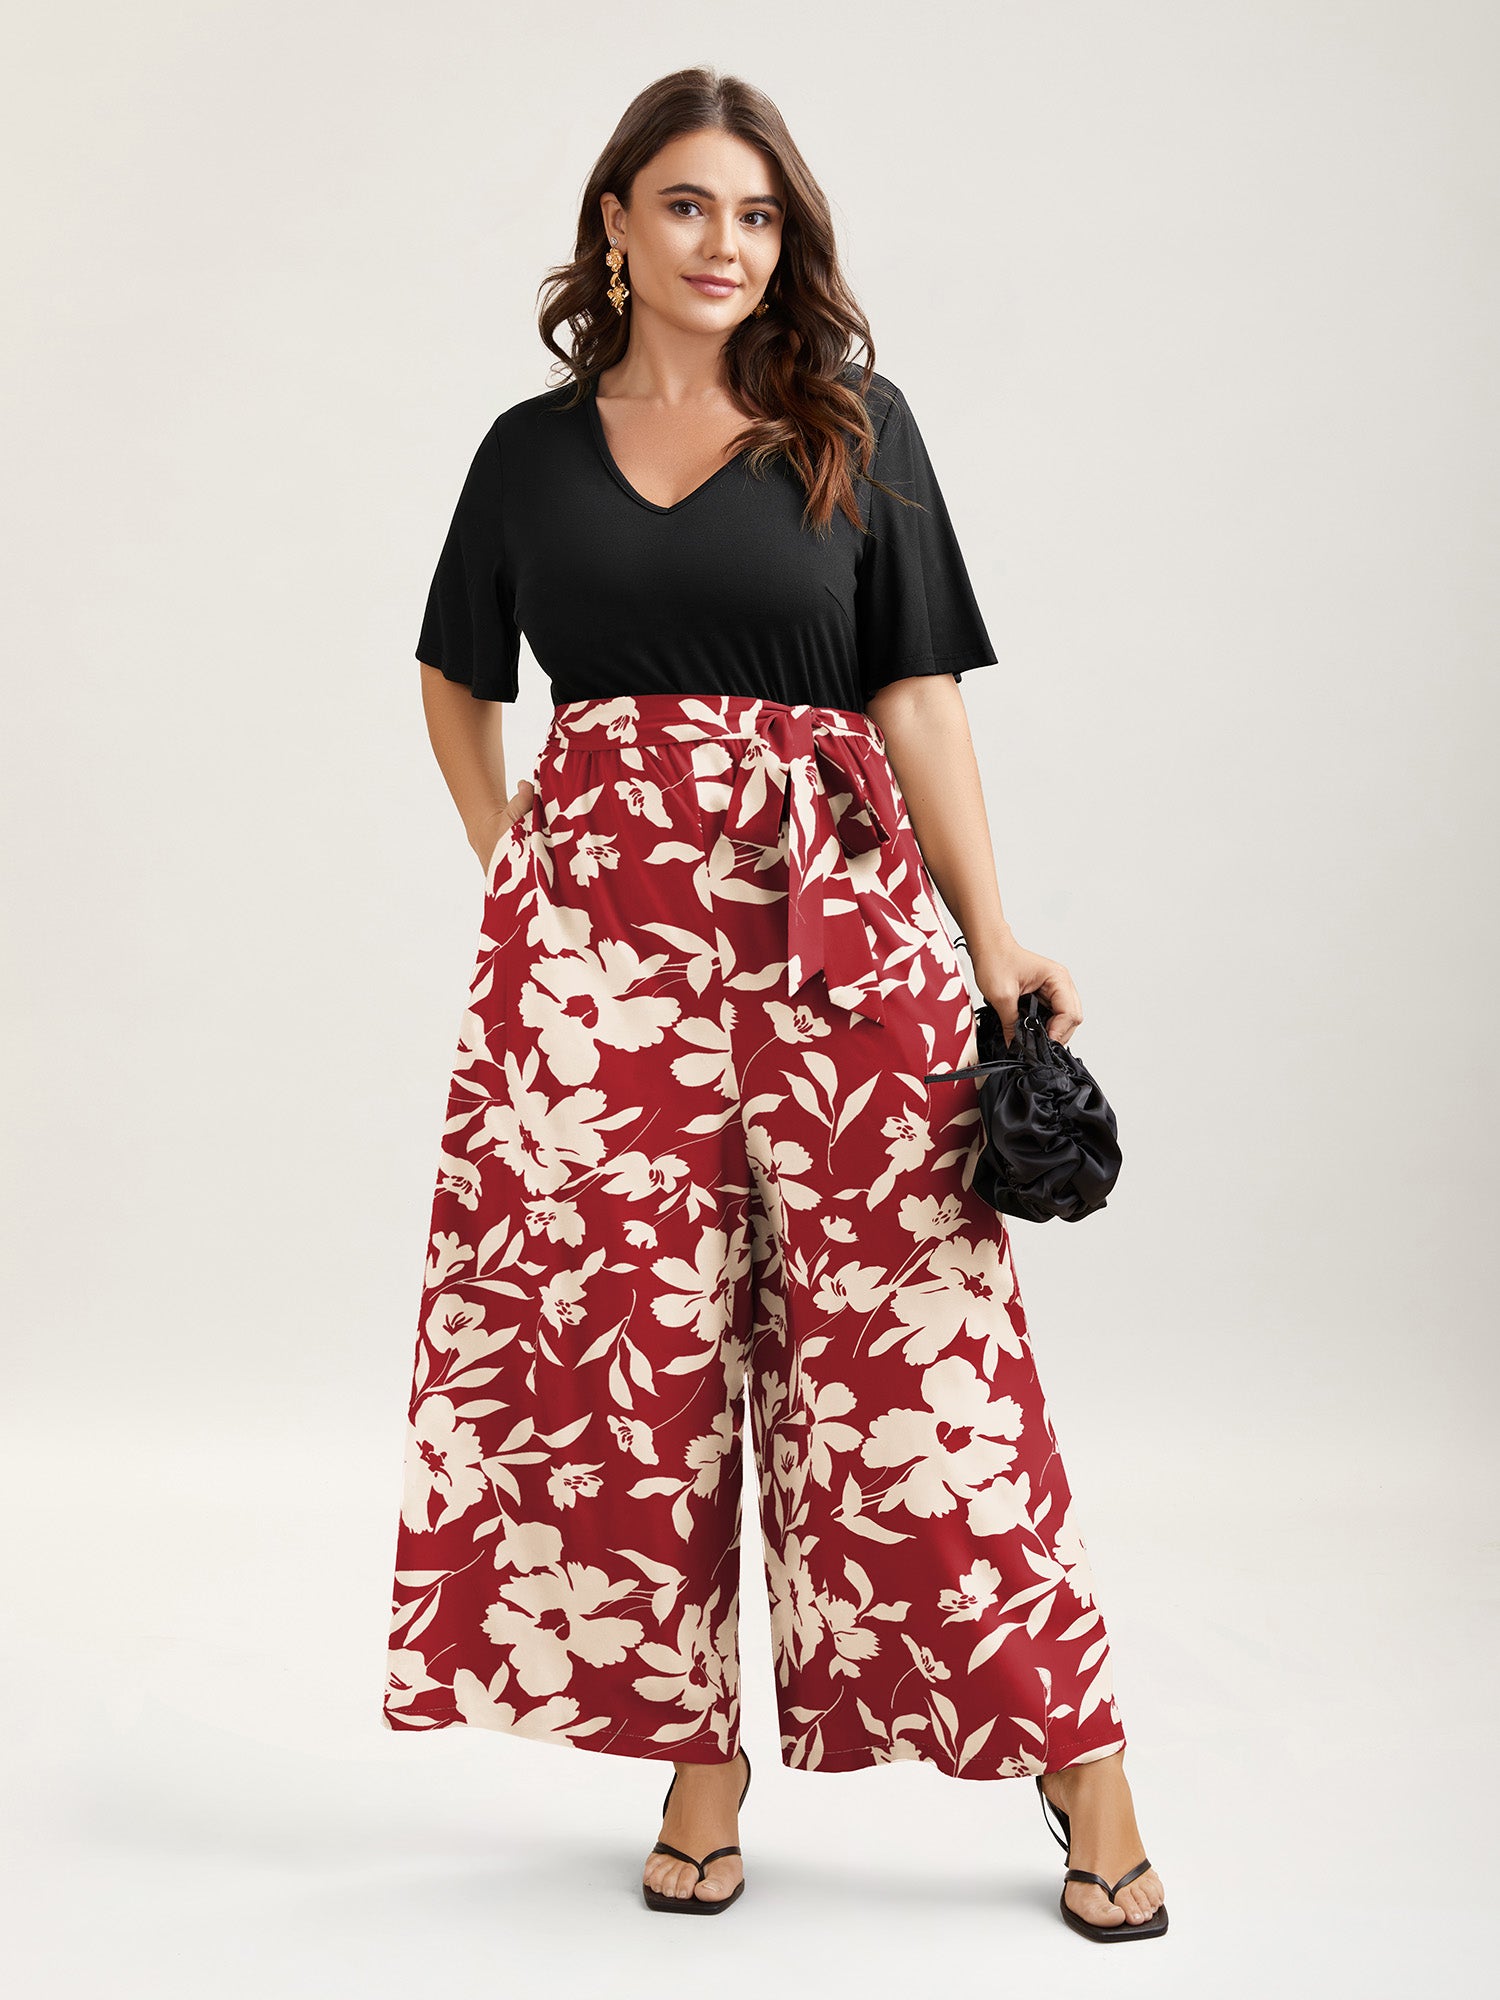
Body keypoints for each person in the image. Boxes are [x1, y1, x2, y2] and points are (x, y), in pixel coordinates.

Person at [383, 66, 1168, 1942]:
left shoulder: (853, 428)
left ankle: (1084, 1765)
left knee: (921, 1360)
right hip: (594, 972)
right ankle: (696, 1764)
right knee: (623, 1361)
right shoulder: (528, 453)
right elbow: (453, 678)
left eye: (756, 215)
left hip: (839, 937)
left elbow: (918, 699)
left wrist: (993, 941)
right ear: (615, 224)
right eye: (687, 205)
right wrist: (520, 866)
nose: (724, 243)